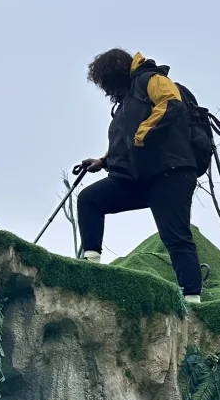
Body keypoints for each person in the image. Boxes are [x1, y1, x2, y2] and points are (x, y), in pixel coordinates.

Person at [76, 48, 203, 302]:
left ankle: (192, 299)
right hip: (138, 177)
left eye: (106, 83)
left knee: (175, 236)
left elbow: (171, 104)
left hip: (170, 172)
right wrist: (103, 161)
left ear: (114, 74)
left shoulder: (151, 79)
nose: (106, 90)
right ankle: (90, 264)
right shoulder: (125, 103)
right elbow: (126, 143)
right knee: (89, 199)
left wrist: (141, 135)